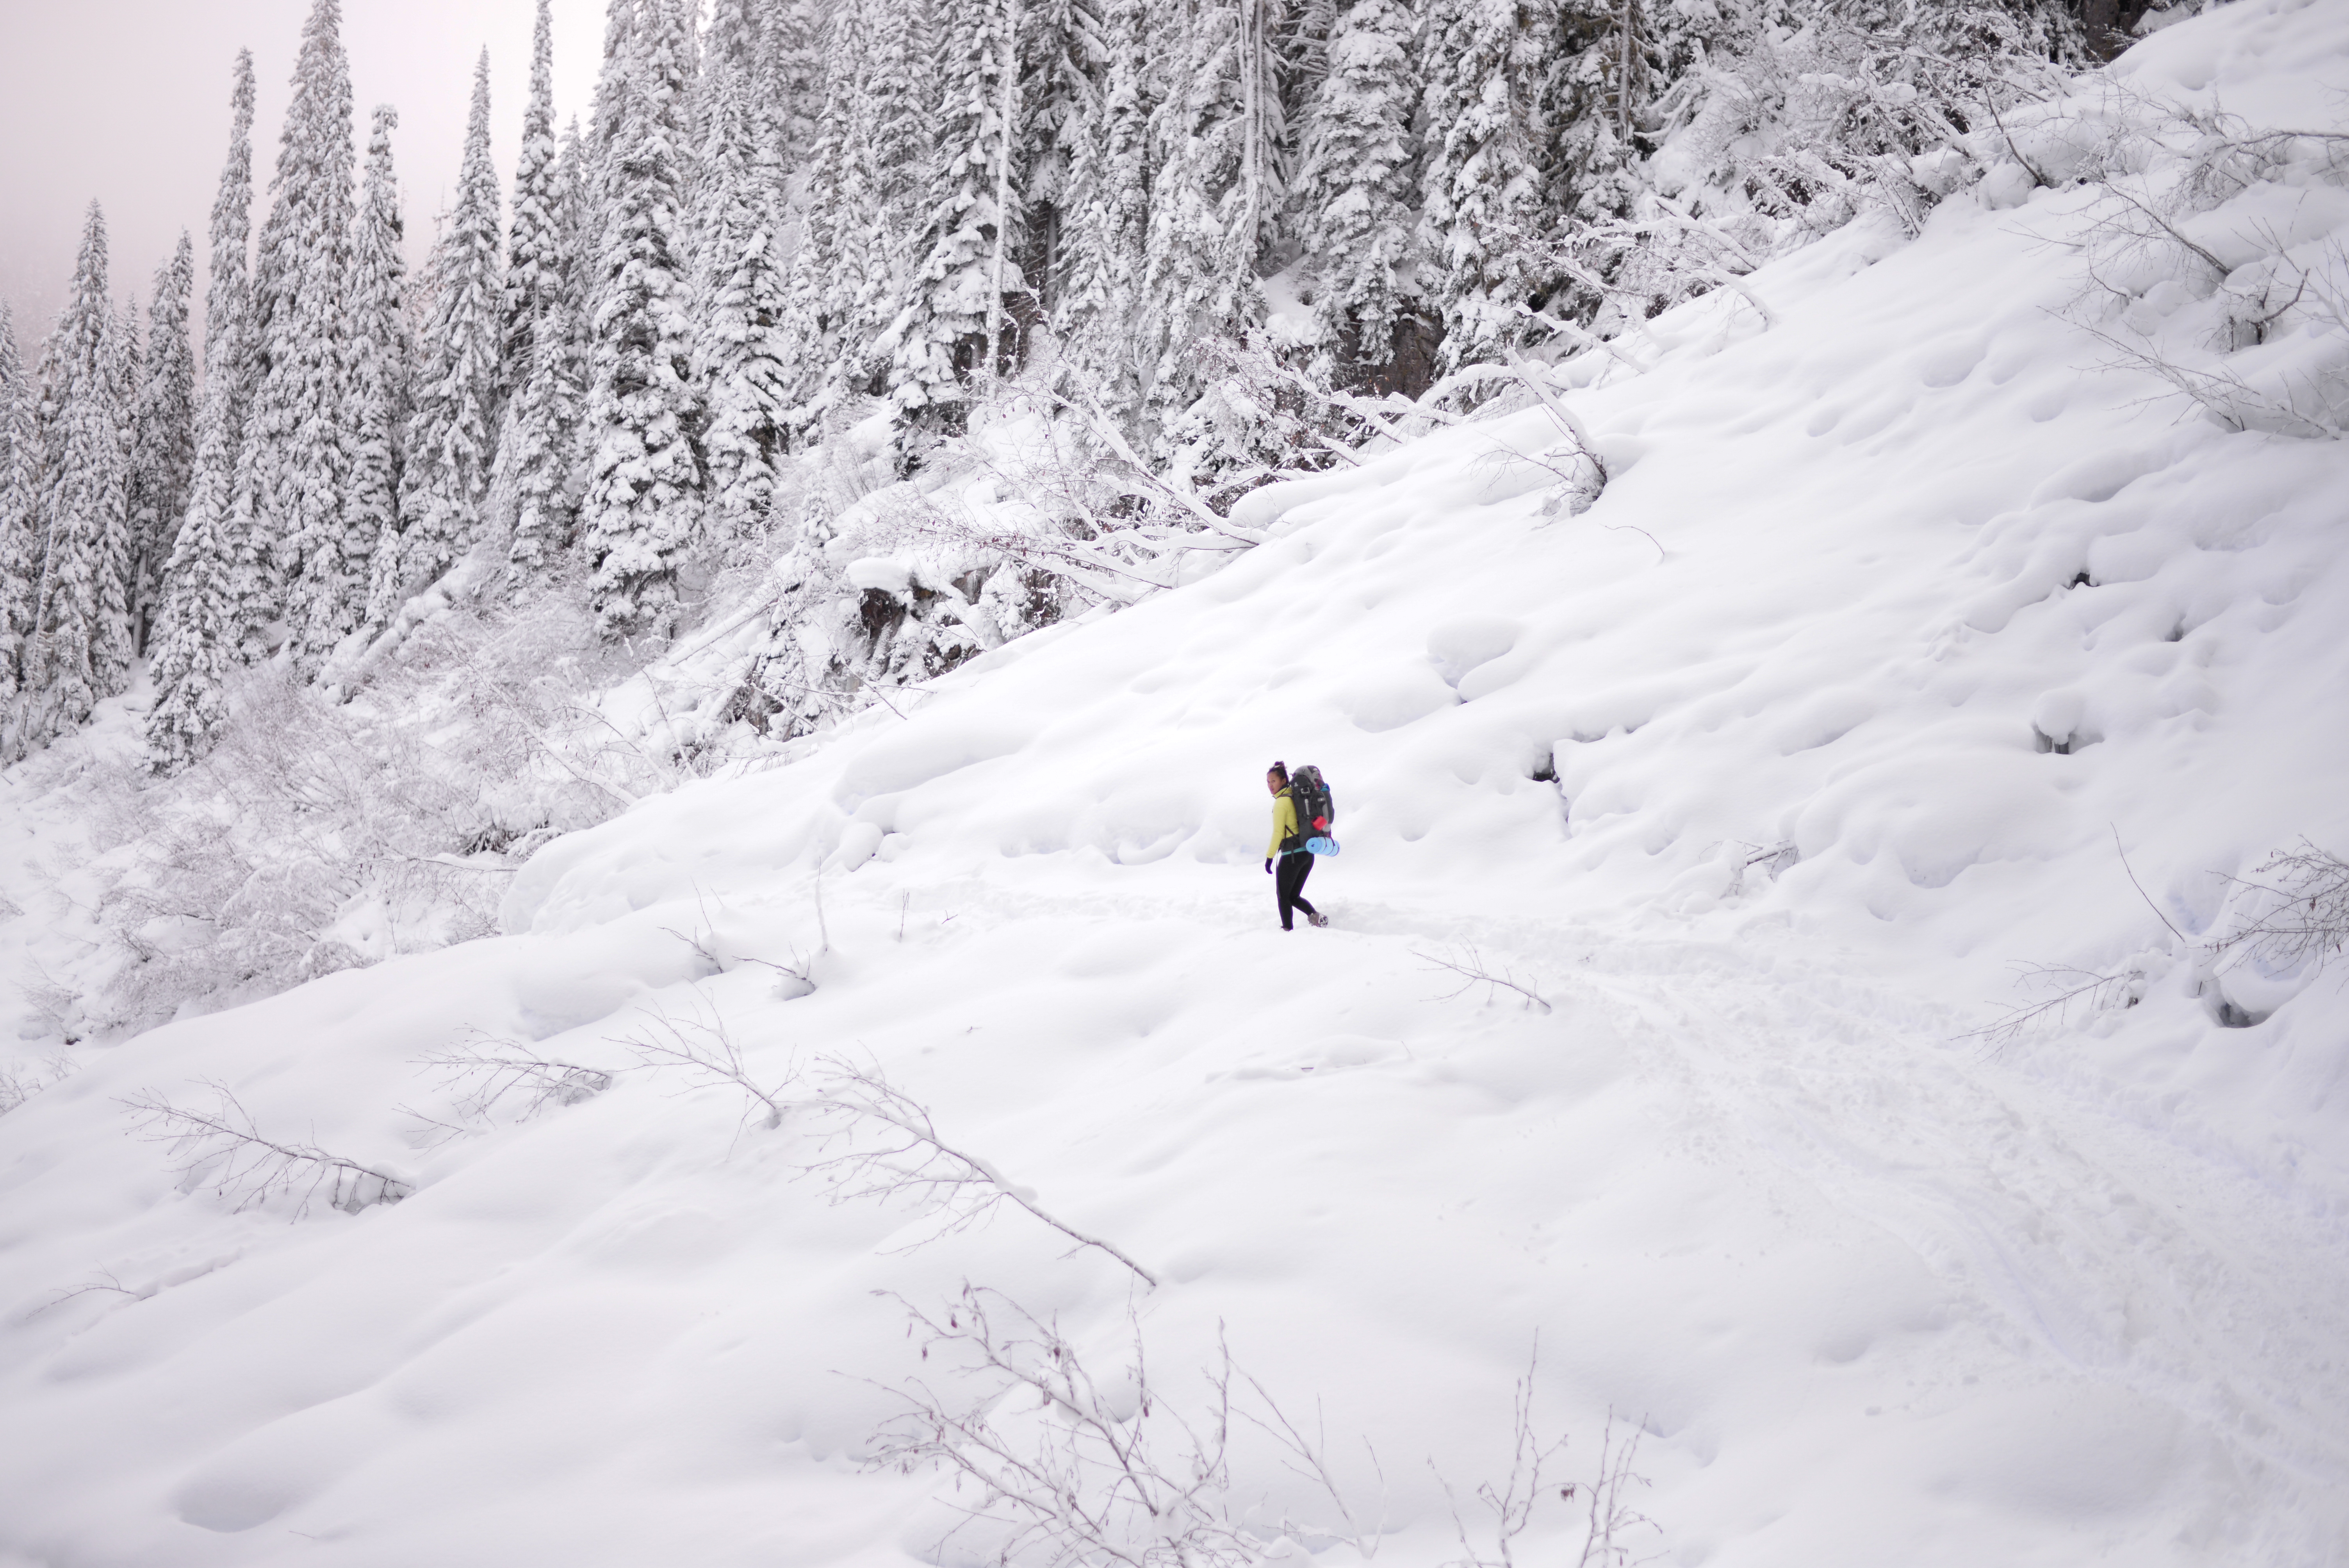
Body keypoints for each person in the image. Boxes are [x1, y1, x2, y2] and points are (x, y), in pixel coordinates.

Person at [1264, 761, 1329, 931]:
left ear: (1284, 781)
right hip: (1308, 854)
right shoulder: (1295, 797)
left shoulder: (1281, 803)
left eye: (1274, 781)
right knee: (1293, 896)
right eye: (1268, 782)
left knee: (1283, 896)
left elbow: (1278, 833)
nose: (1270, 786)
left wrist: (1270, 857)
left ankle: (1287, 930)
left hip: (1292, 856)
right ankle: (1316, 918)